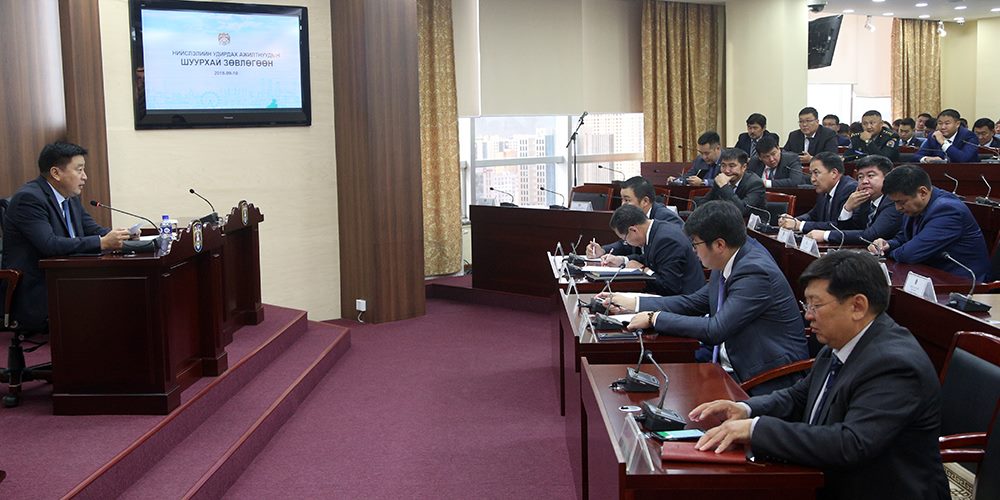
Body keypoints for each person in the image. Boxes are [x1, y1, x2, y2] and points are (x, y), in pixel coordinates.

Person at [688, 251, 949, 500]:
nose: (808, 315)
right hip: (825, 477)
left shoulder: (894, 364)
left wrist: (755, 430)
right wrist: (745, 409)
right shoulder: (841, 343)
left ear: (857, 306)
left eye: (816, 304)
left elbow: (851, 443)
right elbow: (798, 396)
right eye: (807, 304)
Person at [609, 201, 808, 395]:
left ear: (719, 244)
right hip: (729, 361)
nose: (693, 251)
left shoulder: (754, 271)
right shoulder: (729, 256)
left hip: (765, 378)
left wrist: (655, 318)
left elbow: (716, 329)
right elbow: (695, 302)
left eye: (695, 244)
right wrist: (635, 304)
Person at [1, 142, 131, 330]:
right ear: (56, 173)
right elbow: (49, 245)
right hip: (39, 290)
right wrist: (102, 242)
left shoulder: (70, 198)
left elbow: (93, 230)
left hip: (68, 282)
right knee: (113, 306)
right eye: (79, 170)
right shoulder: (29, 199)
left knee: (123, 295)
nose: (85, 176)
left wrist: (126, 236)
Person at [869, 165, 990, 282]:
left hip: (961, 282)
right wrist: (886, 245)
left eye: (901, 202)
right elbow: (903, 238)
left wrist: (887, 254)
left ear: (923, 192)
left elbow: (909, 254)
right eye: (895, 202)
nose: (898, 208)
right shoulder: (917, 206)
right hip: (928, 275)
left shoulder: (948, 210)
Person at [599, 204, 704, 297]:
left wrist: (643, 269)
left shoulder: (666, 240)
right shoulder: (656, 229)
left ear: (633, 230)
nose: (626, 242)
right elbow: (651, 258)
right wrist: (622, 260)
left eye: (625, 239)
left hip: (686, 301)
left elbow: (669, 286)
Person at [806, 155, 902, 245]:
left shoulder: (893, 201)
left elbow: (872, 235)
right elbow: (848, 230)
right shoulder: (864, 200)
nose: (864, 181)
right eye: (860, 177)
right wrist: (847, 209)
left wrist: (826, 235)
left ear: (887, 177)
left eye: (870, 176)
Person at [586, 176, 682, 258]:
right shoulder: (634, 218)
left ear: (645, 201)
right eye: (622, 200)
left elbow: (666, 254)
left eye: (627, 200)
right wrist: (603, 250)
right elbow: (626, 244)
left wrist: (625, 260)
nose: (623, 205)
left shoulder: (666, 219)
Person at [778, 152, 858, 233]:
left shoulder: (849, 189)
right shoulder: (824, 190)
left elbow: (839, 226)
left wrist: (799, 225)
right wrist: (793, 220)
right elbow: (812, 215)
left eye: (816, 173)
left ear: (834, 173)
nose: (812, 179)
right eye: (811, 173)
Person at [694, 148, 766, 219]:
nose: (726, 171)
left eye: (731, 166)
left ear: (744, 167)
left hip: (750, 224)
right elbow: (706, 201)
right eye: (723, 166)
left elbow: (741, 210)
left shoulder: (755, 183)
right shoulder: (721, 179)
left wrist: (724, 186)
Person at [914, 109, 980, 163]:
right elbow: (916, 156)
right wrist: (925, 159)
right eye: (940, 123)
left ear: (957, 124)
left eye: (947, 123)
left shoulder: (969, 136)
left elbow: (963, 158)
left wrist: (943, 143)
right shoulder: (934, 136)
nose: (943, 127)